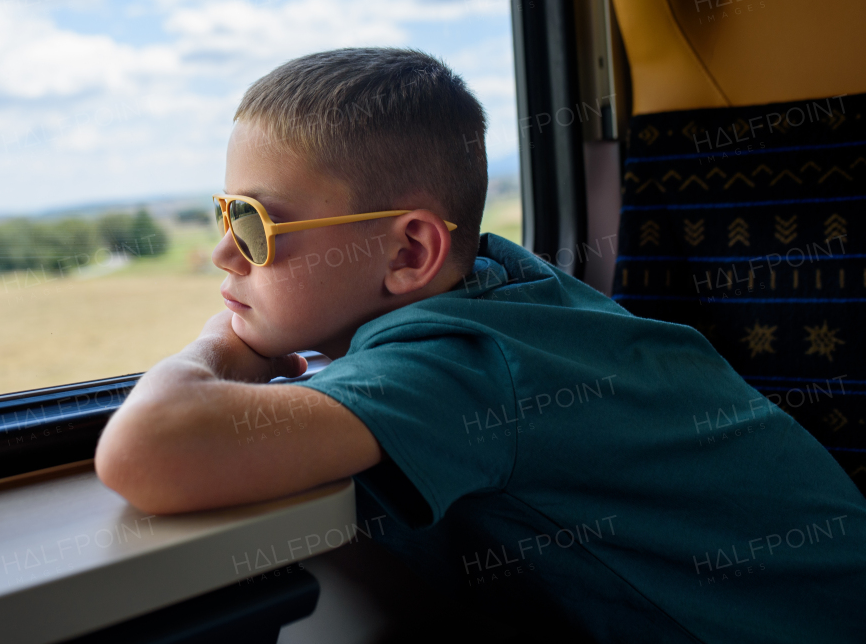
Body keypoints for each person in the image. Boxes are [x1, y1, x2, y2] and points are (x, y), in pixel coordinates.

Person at [94, 48, 866, 642]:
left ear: (408, 254)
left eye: (258, 226)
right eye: (223, 215)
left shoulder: (464, 361)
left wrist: (219, 346)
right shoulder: (504, 276)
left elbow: (145, 455)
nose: (226, 255)